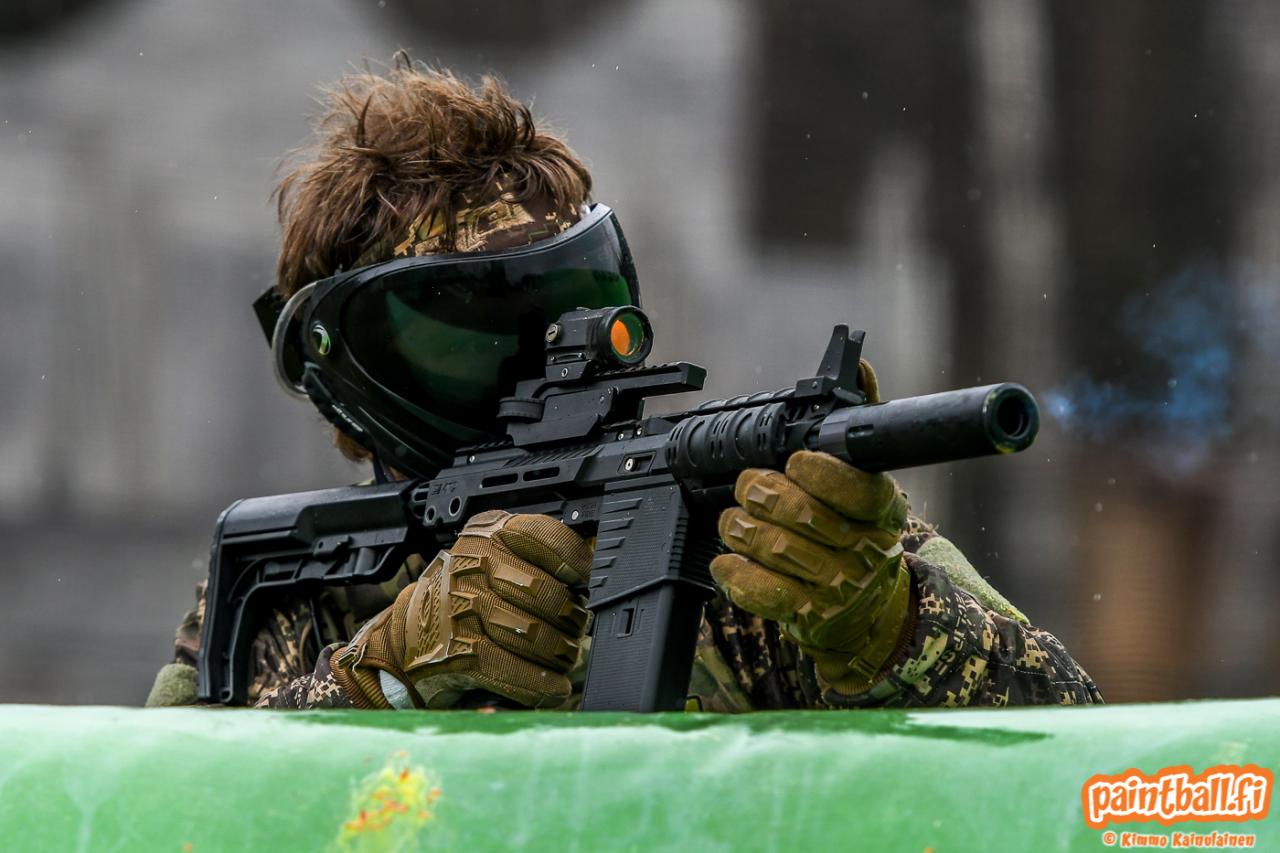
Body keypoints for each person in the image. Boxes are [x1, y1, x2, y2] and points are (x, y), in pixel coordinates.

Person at [146, 58, 1101, 713]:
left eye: (564, 300)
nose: (534, 362)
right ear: (351, 374)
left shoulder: (761, 540)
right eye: (470, 332)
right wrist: (380, 679)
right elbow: (157, 809)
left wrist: (888, 629)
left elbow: (1082, 756)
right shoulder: (300, 599)